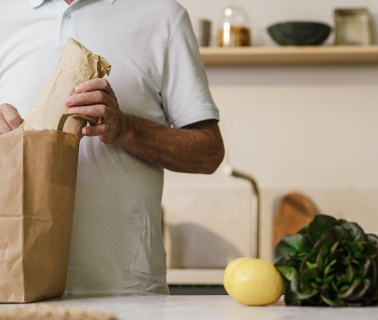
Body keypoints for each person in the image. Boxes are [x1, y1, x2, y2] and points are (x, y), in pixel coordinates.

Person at [0, 0, 225, 295]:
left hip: (128, 290)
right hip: (16, 285)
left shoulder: (163, 15)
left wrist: (127, 129)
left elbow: (208, 153)